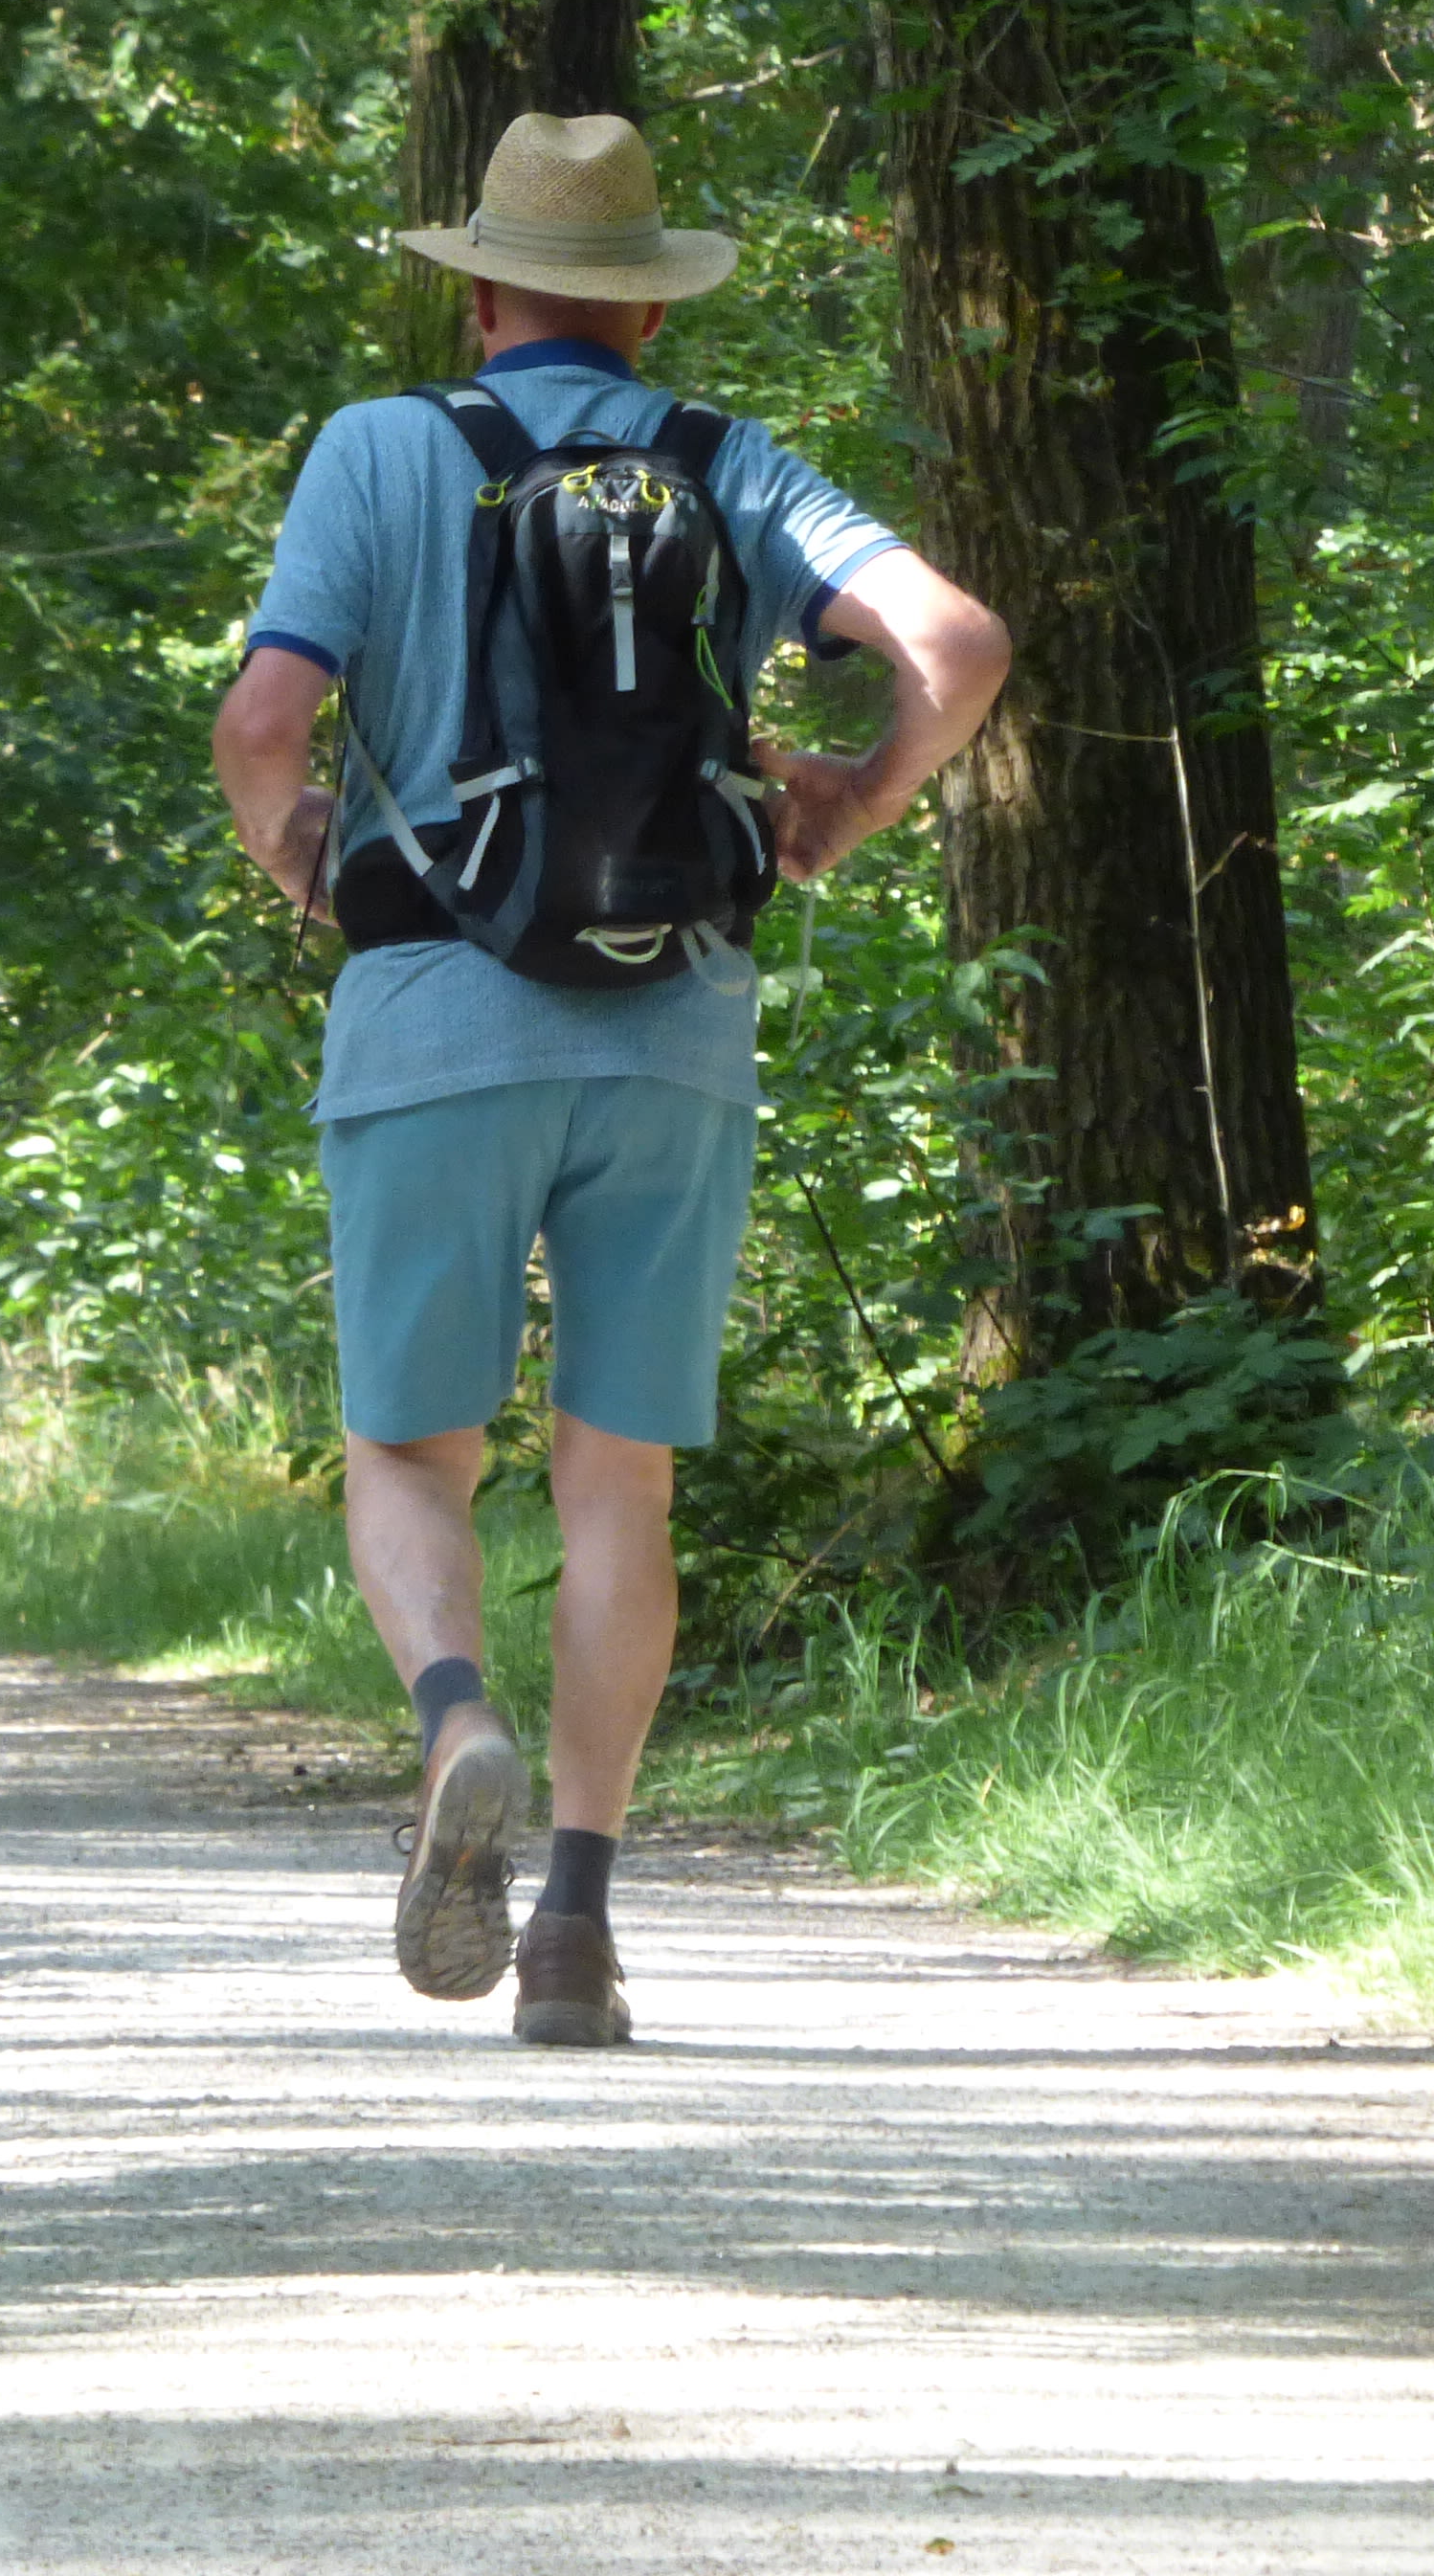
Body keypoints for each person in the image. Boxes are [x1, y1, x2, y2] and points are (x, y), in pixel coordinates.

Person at [209, 112, 1008, 2047]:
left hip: (431, 1012)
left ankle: (450, 1721)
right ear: (647, 307)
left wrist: (300, 845)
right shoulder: (733, 469)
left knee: (412, 1451)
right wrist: (848, 808)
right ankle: (572, 1926)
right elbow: (959, 643)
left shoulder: (381, 449)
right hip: (676, 1029)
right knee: (614, 1481)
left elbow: (262, 719)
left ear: (476, 285)